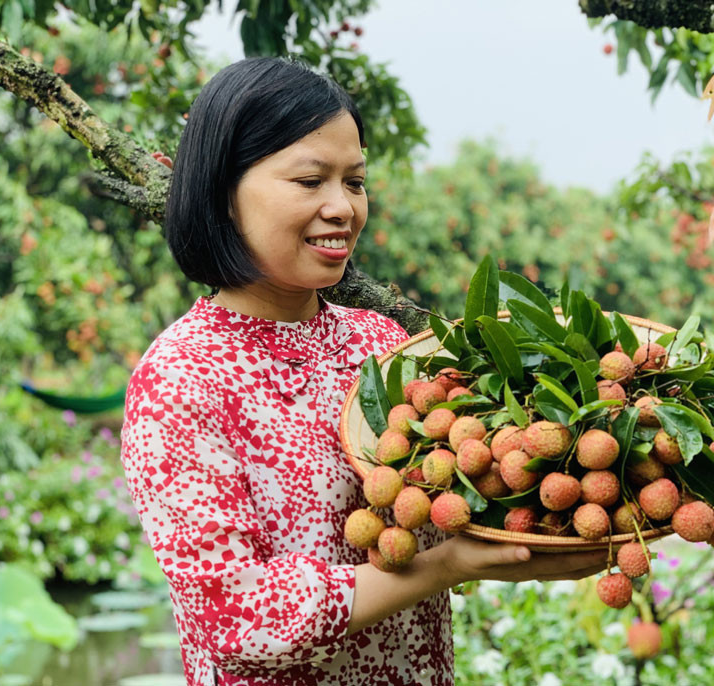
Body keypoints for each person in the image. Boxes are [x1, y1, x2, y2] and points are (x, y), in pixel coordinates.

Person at [119, 56, 609, 686]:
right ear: (223, 192)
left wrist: (554, 506)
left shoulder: (381, 348)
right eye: (309, 180)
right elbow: (238, 621)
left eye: (354, 181)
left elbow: (450, 502)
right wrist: (448, 566)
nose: (342, 207)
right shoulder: (180, 378)